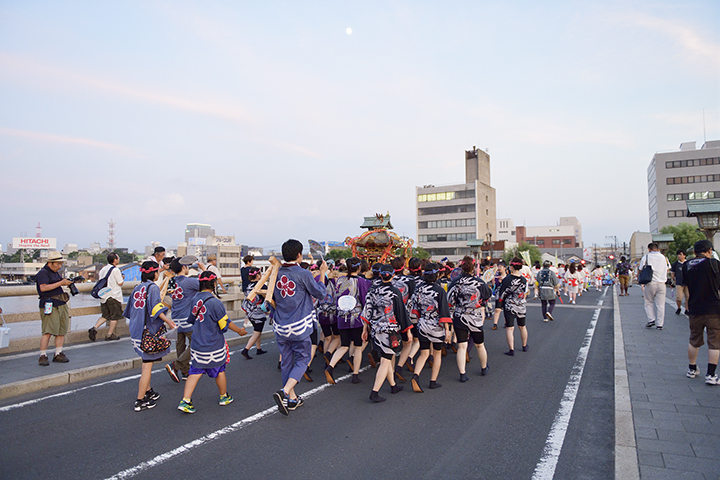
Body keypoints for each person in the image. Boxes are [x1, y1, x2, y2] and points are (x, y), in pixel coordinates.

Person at [270, 239, 328, 415]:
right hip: (299, 325)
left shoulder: (276, 272)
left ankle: (292, 399)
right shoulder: (303, 273)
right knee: (303, 359)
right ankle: (285, 391)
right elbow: (320, 293)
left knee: (287, 361)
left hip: (280, 325)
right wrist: (322, 273)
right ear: (299, 255)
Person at [177, 270, 247, 413]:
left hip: (197, 343)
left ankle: (185, 400)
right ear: (214, 284)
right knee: (219, 370)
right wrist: (239, 331)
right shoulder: (215, 302)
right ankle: (223, 396)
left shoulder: (194, 299)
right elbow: (225, 323)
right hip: (213, 343)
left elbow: (191, 319)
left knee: (194, 371)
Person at [124, 261, 176, 412]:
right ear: (154, 273)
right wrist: (168, 321)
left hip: (136, 329)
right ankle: (140, 400)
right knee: (147, 366)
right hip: (147, 331)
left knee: (146, 362)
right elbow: (156, 308)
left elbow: (129, 310)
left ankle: (148, 391)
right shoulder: (152, 287)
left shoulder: (137, 287)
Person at [360, 264, 410, 402]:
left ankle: (393, 385)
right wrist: (407, 331)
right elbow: (401, 312)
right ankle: (374, 392)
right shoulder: (394, 291)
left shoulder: (372, 290)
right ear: (393, 275)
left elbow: (367, 310)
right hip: (390, 330)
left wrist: (365, 328)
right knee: (386, 359)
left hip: (376, 329)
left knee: (385, 357)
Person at [325, 257, 371, 385]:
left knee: (344, 345)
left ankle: (330, 366)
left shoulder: (340, 280)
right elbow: (365, 300)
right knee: (358, 347)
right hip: (356, 318)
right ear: (359, 267)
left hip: (341, 317)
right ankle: (355, 374)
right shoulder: (362, 281)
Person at [408, 263, 452, 392]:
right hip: (436, 326)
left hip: (422, 323)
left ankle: (416, 375)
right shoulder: (439, 290)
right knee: (437, 353)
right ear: (437, 275)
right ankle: (433, 381)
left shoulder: (418, 289)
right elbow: (444, 311)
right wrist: (447, 329)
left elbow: (414, 308)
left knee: (424, 353)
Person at [682, 240, 720, 385]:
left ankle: (691, 369)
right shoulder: (714, 264)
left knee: (694, 340)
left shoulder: (687, 265)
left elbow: (686, 286)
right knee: (714, 342)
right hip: (713, 309)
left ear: (694, 252)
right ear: (709, 250)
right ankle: (711, 375)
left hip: (695, 308)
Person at [448, 256, 490, 381]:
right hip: (475, 316)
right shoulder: (479, 282)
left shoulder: (455, 282)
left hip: (459, 315)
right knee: (480, 345)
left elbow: (449, 300)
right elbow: (487, 296)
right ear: (473, 267)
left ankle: (462, 373)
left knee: (462, 346)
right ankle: (484, 368)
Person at [164, 258, 205, 382]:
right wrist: (203, 269)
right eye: (187, 266)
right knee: (197, 343)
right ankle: (176, 365)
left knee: (180, 346)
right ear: (183, 267)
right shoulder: (189, 281)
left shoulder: (171, 281)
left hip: (175, 318)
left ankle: (185, 371)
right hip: (187, 318)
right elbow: (206, 285)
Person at [36, 251, 73, 366]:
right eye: (57, 264)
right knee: (48, 331)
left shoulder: (56, 273)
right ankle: (43, 355)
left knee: (61, 330)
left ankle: (58, 353)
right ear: (50, 263)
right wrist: (61, 283)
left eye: (60, 264)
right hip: (49, 304)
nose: (59, 266)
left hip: (60, 303)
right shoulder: (43, 273)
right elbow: (43, 288)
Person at [88, 252, 125, 342]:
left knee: (105, 315)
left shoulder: (103, 269)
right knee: (115, 316)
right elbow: (120, 283)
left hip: (104, 296)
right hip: (113, 296)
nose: (118, 260)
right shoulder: (115, 270)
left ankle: (94, 328)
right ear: (115, 260)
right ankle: (109, 335)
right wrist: (122, 277)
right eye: (118, 258)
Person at [498, 258, 528, 356]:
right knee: (522, 326)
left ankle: (511, 349)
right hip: (521, 305)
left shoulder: (507, 279)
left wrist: (500, 303)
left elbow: (502, 293)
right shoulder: (524, 280)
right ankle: (524, 345)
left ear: (512, 266)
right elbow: (525, 292)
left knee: (510, 328)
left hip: (510, 305)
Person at [240, 267, 270, 359]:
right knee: (257, 332)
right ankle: (246, 350)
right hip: (258, 312)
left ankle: (258, 348)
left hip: (250, 311)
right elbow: (269, 294)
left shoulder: (249, 285)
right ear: (257, 275)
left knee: (257, 330)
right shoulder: (261, 286)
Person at [639, 242, 670, 330]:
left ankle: (651, 319)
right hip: (662, 283)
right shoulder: (664, 258)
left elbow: (641, 268)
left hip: (650, 283)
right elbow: (668, 268)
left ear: (649, 249)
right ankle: (660, 324)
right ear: (658, 249)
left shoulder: (646, 257)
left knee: (648, 302)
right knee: (660, 305)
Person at [671, 250, 688, 315]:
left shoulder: (687, 263)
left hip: (687, 283)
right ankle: (679, 307)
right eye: (678, 254)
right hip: (679, 282)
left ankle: (687, 309)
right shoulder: (675, 264)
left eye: (681, 254)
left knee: (688, 297)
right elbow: (672, 273)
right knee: (679, 297)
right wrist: (672, 281)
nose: (679, 256)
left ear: (684, 256)